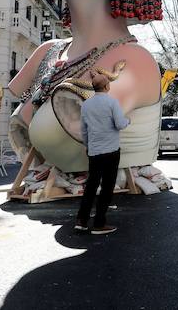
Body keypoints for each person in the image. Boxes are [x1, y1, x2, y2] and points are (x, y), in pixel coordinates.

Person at [76, 72, 130, 235]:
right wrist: (128, 120)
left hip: (94, 151)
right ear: (107, 86)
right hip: (111, 151)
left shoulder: (86, 105)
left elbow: (83, 131)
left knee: (91, 186)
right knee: (107, 187)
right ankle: (99, 224)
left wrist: (88, 146)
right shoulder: (112, 102)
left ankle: (82, 221)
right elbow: (120, 124)